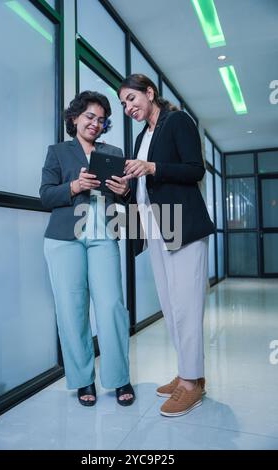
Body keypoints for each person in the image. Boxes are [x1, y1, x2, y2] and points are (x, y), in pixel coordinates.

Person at [118, 74, 214, 417]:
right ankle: (188, 373)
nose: (129, 108)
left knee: (186, 305)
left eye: (132, 99)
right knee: (171, 307)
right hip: (156, 227)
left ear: (149, 92)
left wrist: (152, 166)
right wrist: (125, 188)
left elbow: (195, 170)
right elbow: (143, 188)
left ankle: (191, 385)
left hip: (181, 223)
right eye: (124, 104)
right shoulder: (143, 136)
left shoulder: (177, 121)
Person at [40, 91, 135, 406]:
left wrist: (124, 192)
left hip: (103, 234)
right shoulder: (58, 152)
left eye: (100, 119)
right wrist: (74, 186)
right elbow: (46, 195)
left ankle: (119, 378)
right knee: (72, 310)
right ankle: (83, 381)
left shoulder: (112, 151)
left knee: (111, 307)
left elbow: (124, 197)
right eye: (89, 117)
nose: (95, 123)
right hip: (64, 237)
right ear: (75, 119)